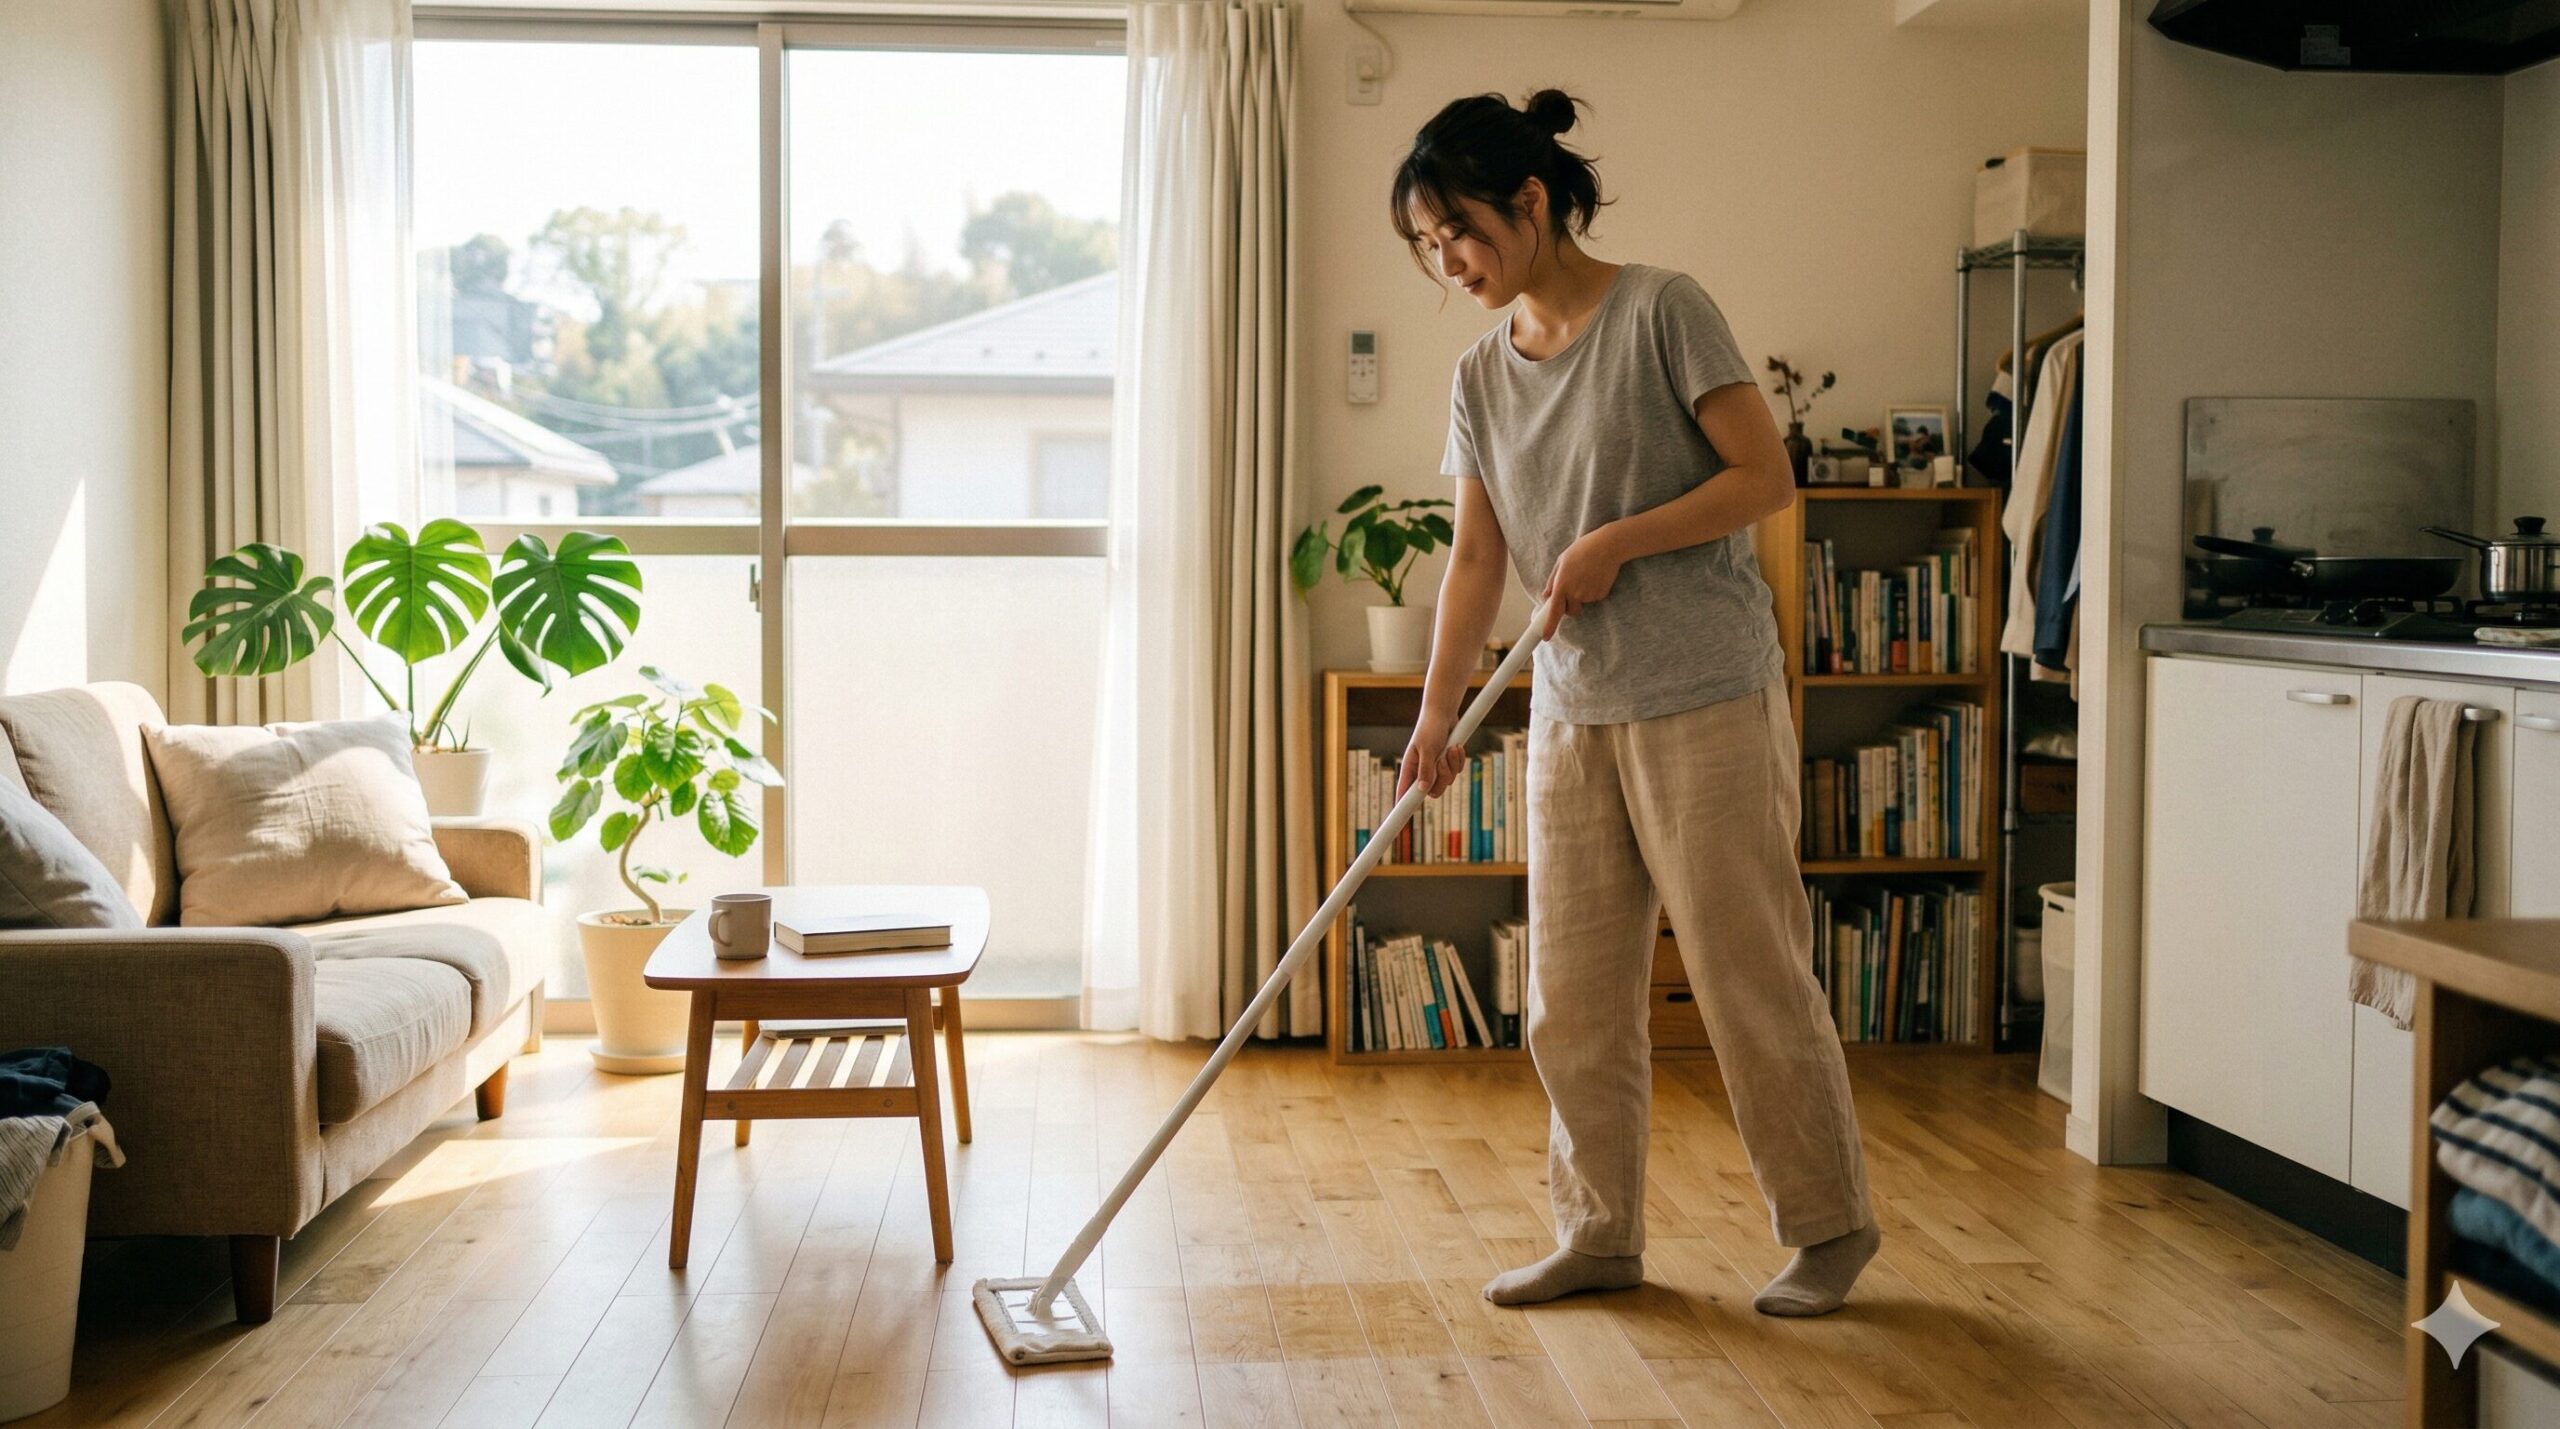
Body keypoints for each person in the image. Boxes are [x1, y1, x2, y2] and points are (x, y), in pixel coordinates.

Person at [1389, 89, 1879, 1317]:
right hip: (1571, 707)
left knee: (1743, 971)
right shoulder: (1476, 376)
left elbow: (1762, 478)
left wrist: (1618, 541)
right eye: (1426, 245)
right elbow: (1475, 561)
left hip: (1704, 690)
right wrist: (1436, 714)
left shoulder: (1663, 308)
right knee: (1572, 989)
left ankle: (1829, 1228)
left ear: (1531, 202)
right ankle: (1598, 1233)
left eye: (1459, 231)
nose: (1449, 261)